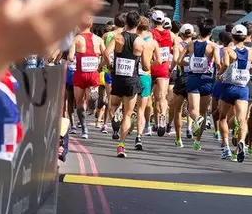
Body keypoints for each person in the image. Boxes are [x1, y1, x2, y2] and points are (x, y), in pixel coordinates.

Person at [105, 11, 151, 157]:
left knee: (112, 105)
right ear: (137, 24)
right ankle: (121, 145)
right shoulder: (141, 42)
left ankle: (114, 117)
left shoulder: (117, 37)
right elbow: (145, 67)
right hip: (132, 80)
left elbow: (106, 53)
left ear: (125, 23)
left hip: (118, 78)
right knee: (128, 114)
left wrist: (110, 66)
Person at [217, 24, 252, 161]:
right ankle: (241, 141)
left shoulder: (228, 50)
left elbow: (225, 64)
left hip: (228, 87)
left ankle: (226, 148)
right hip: (243, 88)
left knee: (222, 117)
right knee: (242, 119)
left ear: (233, 36)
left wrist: (220, 73)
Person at [69, 15, 105, 139]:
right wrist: (100, 64)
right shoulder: (99, 39)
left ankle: (84, 129)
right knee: (90, 101)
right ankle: (93, 104)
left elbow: (69, 57)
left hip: (80, 73)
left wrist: (76, 57)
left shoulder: (76, 39)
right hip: (93, 73)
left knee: (79, 103)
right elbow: (106, 55)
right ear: (91, 25)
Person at [185, 18, 219, 150]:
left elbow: (178, 59)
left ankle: (196, 119)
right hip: (207, 80)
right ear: (211, 32)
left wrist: (191, 62)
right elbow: (220, 63)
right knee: (204, 113)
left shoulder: (190, 44)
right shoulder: (213, 46)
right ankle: (197, 141)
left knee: (193, 111)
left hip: (193, 78)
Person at [150, 9, 177, 135]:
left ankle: (151, 123)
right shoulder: (171, 35)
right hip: (163, 67)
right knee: (161, 96)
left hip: (150, 66)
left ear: (152, 20)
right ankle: (162, 117)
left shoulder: (150, 34)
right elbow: (177, 51)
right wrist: (172, 66)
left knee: (148, 96)